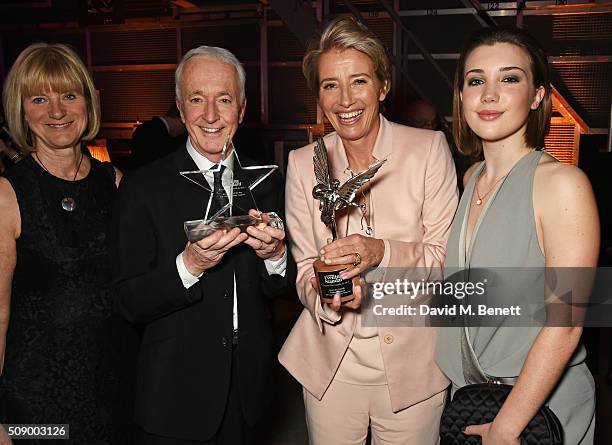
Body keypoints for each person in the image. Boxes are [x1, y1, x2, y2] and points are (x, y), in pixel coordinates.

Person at [278, 17, 458, 444]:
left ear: (382, 86)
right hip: (330, 370)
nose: (345, 100)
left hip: (415, 370)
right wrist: (324, 294)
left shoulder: (428, 150)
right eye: (329, 86)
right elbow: (304, 266)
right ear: (318, 97)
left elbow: (447, 261)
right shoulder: (305, 164)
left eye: (358, 81)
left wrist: (382, 252)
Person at [113, 46, 292, 445]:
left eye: (223, 100)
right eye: (197, 99)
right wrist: (189, 265)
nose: (210, 115)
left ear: (241, 109)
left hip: (249, 393)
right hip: (174, 396)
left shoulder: (268, 183)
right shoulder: (143, 187)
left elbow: (278, 287)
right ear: (180, 106)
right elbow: (128, 301)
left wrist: (276, 257)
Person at [435, 27, 598, 444]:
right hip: (473, 399)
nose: (489, 94)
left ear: (538, 95)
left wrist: (508, 426)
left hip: (536, 409)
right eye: (476, 80)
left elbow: (566, 322)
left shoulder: (561, 183)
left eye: (509, 78)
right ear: (462, 95)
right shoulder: (471, 177)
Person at [0, 43, 123, 443]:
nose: (57, 111)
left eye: (69, 95)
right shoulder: (8, 195)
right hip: (34, 403)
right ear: (21, 111)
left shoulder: (115, 184)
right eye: (39, 98)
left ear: (88, 101)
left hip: (109, 393)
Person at [130, 103, 186, 169]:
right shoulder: (158, 133)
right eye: (184, 126)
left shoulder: (147, 128)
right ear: (180, 119)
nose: (183, 130)